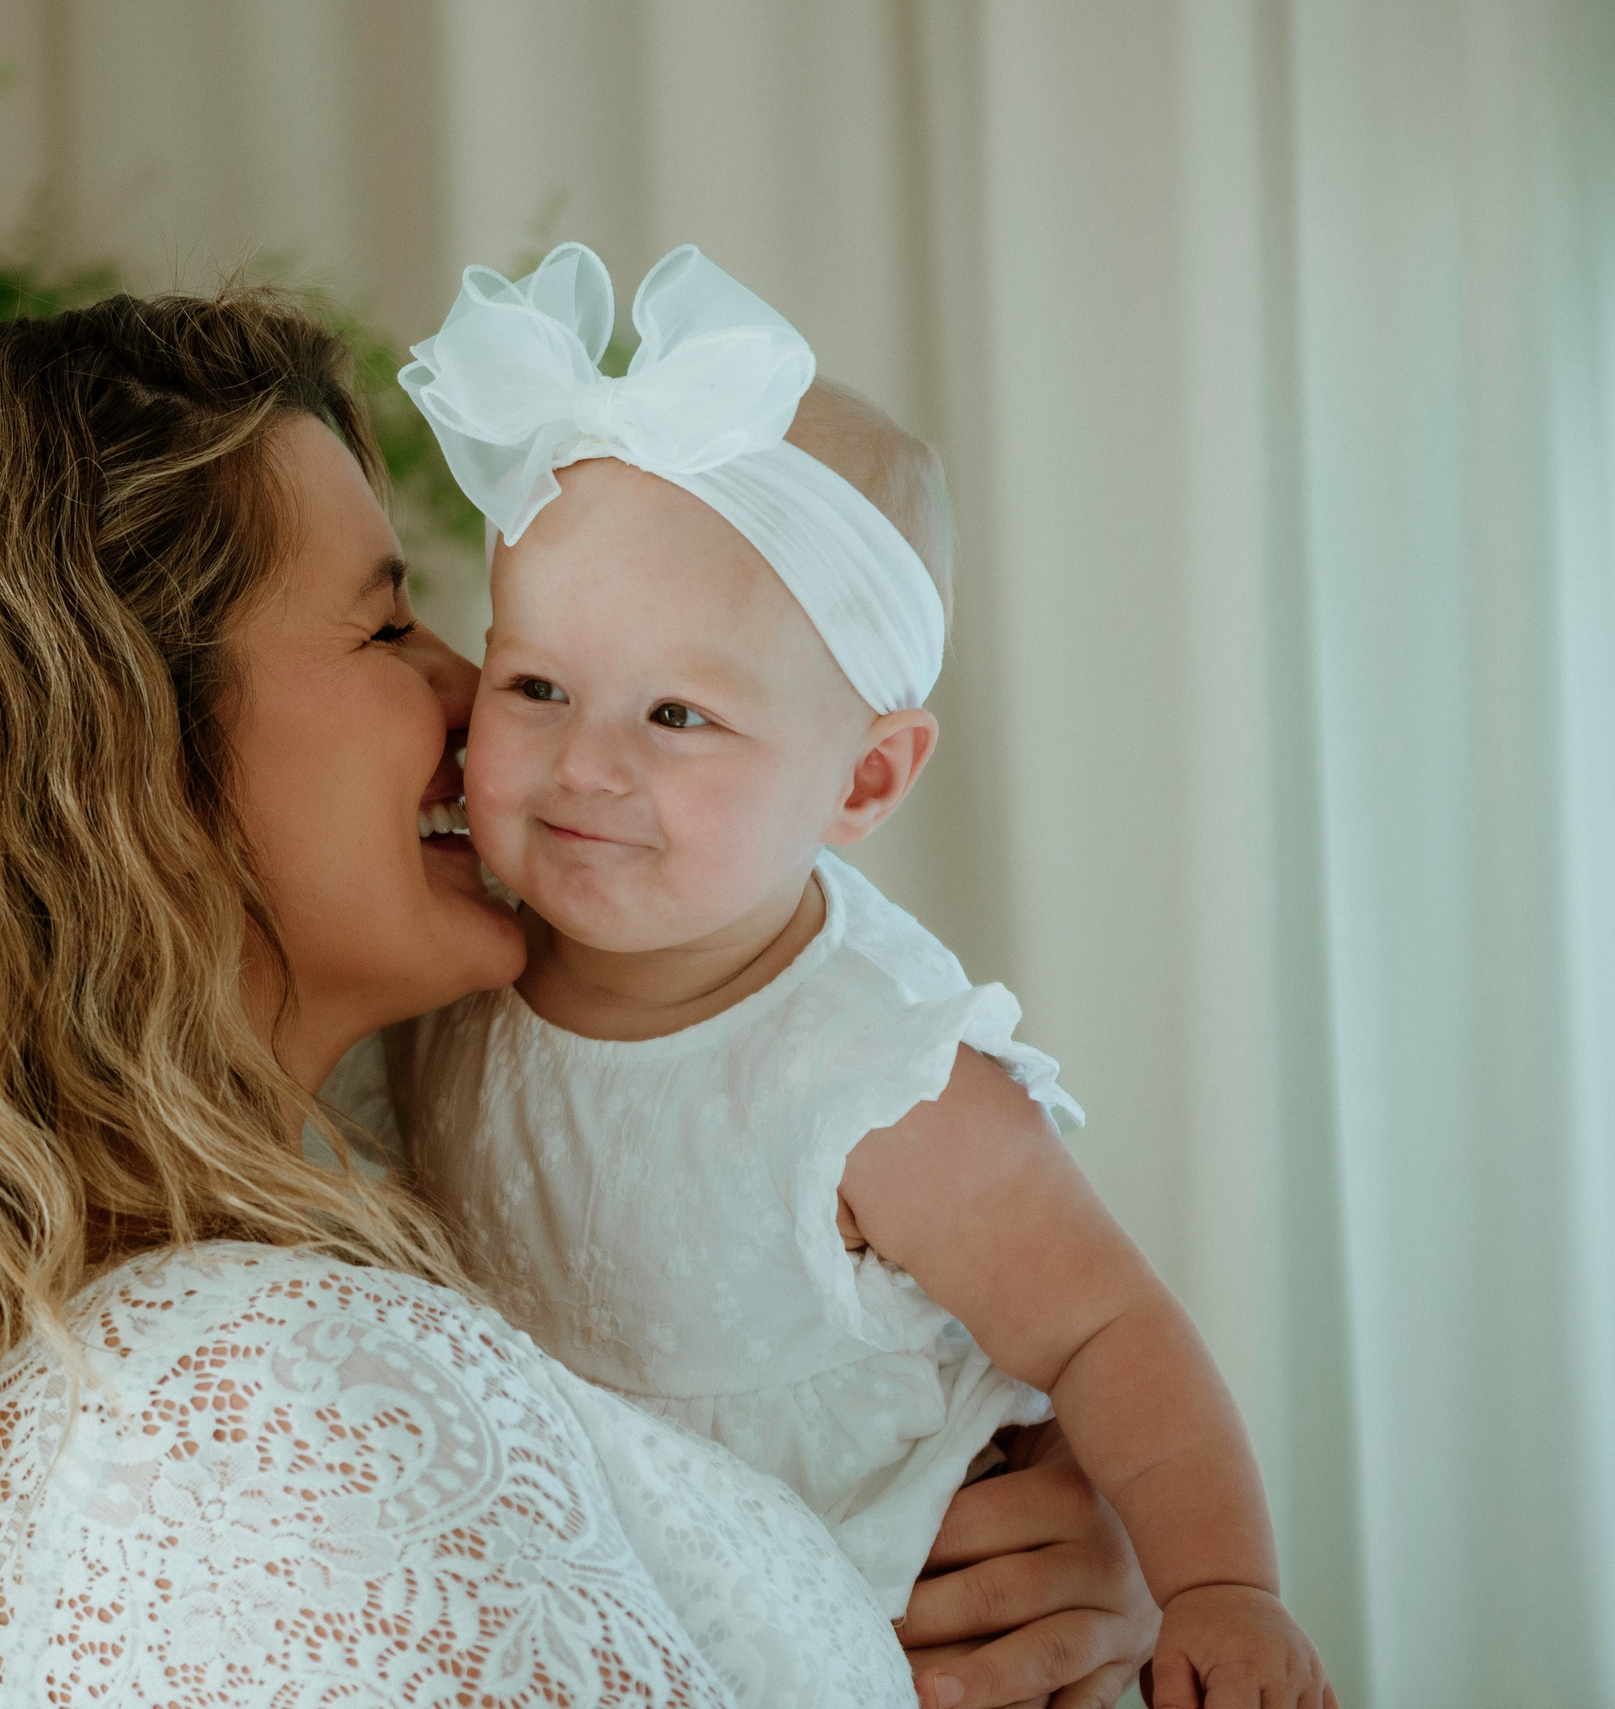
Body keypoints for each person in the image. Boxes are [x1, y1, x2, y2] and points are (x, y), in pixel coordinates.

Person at [0, 287, 1161, 1707]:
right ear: (126, 763)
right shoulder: (253, 1409)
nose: (483, 694)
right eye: (386, 620)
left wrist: (1005, 1552)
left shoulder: (377, 1193)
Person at [391, 244, 1333, 1709]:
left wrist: (1219, 1584)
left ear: (866, 778)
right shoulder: (445, 977)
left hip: (918, 1644)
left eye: (681, 713)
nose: (587, 763)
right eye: (535, 686)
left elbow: (1104, 1326)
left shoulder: (876, 1071)